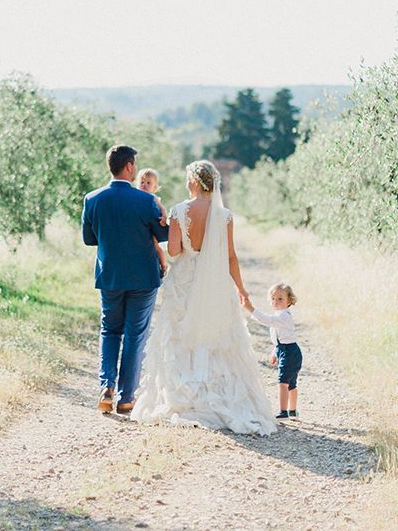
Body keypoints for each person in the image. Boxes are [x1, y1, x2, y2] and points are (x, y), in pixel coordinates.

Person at [131, 160, 276, 435]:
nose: (187, 184)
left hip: (184, 280)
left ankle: (185, 395)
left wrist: (169, 231)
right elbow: (231, 257)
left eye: (188, 179)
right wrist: (242, 290)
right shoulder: (226, 216)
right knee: (214, 332)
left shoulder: (179, 211)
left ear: (195, 182)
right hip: (215, 281)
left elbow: (173, 252)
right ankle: (215, 392)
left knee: (180, 334)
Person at [82, 145, 169, 414]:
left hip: (110, 275)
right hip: (143, 277)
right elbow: (163, 236)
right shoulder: (146, 201)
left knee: (110, 330)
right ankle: (126, 397)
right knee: (135, 335)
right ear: (130, 166)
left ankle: (106, 385)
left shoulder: (92, 199)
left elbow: (89, 239)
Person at [243, 283, 303, 420]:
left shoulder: (284, 316)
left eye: (280, 299)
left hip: (290, 352)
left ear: (289, 301)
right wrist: (275, 352)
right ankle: (293, 411)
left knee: (283, 383)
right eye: (273, 298)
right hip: (285, 350)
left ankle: (284, 412)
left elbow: (268, 320)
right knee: (291, 384)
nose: (276, 301)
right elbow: (279, 339)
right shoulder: (279, 315)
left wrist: (251, 309)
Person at [137, 168, 168, 279]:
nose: (144, 185)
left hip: (154, 227)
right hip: (143, 225)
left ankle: (163, 264)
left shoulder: (153, 198)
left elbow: (163, 209)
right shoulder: (136, 195)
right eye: (142, 182)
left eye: (148, 183)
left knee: (155, 244)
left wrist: (164, 218)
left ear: (155, 187)